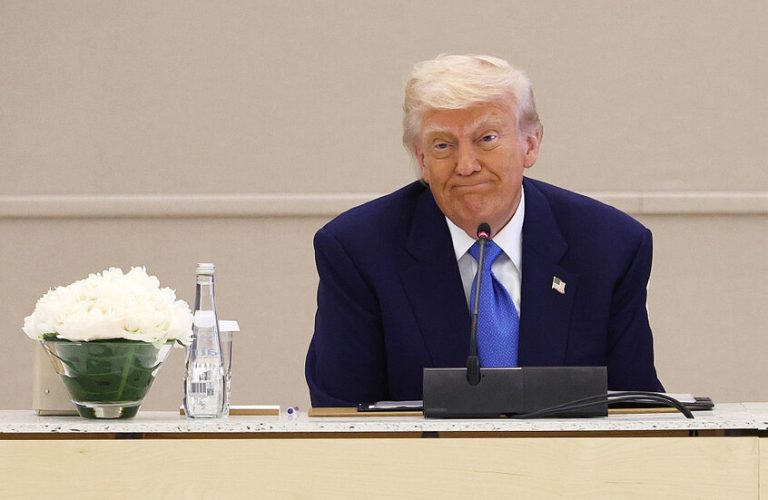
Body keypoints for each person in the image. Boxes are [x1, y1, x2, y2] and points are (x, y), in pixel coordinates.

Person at [305, 54, 663, 407]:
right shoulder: (359, 250)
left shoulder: (609, 247)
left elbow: (636, 410)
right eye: (443, 145)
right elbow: (343, 415)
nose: (466, 165)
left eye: (486, 138)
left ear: (530, 144)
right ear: (422, 160)